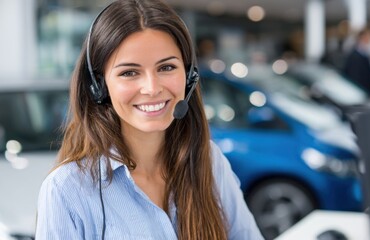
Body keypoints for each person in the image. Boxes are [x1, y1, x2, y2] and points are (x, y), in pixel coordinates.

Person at [35, 0, 264, 239]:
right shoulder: (67, 190)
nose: (152, 88)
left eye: (166, 67)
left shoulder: (208, 160)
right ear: (99, 87)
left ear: (189, 77)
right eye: (129, 72)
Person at [342, 27, 370, 101]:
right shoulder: (354, 57)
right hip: (361, 97)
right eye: (369, 37)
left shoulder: (365, 54)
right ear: (363, 37)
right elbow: (356, 80)